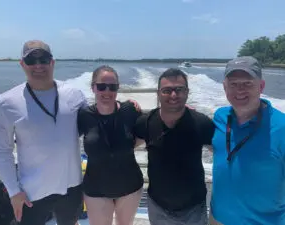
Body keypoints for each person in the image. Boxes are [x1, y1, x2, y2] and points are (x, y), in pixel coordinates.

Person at [0, 40, 86, 225]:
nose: (38, 65)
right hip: (31, 193)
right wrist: (13, 191)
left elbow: (96, 120)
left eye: (43, 59)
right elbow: (1, 150)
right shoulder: (6, 103)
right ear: (22, 64)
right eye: (31, 61)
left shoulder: (75, 95)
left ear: (52, 62)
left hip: (72, 187)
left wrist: (123, 107)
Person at [209, 56, 285, 225]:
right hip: (218, 219)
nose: (239, 90)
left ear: (261, 86)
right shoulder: (220, 117)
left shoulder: (282, 128)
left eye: (247, 84)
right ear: (224, 87)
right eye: (233, 84)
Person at [134, 68, 215, 225]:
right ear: (158, 93)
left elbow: (224, 153)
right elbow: (125, 147)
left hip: (194, 209)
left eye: (179, 89)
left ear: (187, 92)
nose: (173, 95)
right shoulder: (145, 122)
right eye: (167, 90)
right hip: (158, 207)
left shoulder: (201, 123)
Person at [77, 65, 144, 225]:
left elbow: (155, 123)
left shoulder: (130, 110)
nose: (107, 92)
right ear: (93, 87)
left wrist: (180, 111)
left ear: (118, 88)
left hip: (130, 186)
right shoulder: (83, 116)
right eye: (101, 86)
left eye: (112, 87)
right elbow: (62, 138)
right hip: (96, 188)